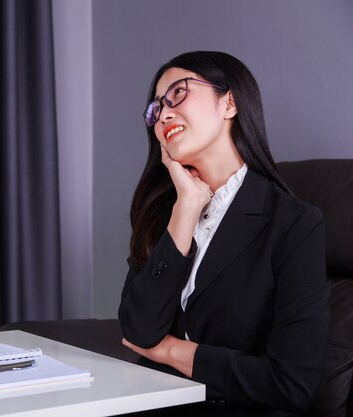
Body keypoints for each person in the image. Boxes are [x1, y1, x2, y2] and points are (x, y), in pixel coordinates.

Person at [118, 51, 330, 416]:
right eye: (156, 109)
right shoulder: (163, 214)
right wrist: (186, 207)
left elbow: (291, 384)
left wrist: (170, 351)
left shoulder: (294, 223)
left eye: (178, 94)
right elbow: (139, 329)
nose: (163, 114)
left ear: (229, 103)